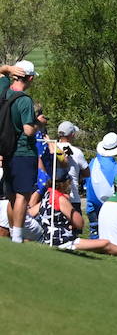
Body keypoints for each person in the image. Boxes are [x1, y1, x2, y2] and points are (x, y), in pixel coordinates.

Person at [1, 61, 40, 243]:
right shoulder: (24, 100)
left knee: (11, 197)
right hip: (23, 152)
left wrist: (7, 69)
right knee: (22, 196)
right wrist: (38, 123)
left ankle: (12, 233)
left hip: (6, 151)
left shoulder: (4, 91)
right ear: (30, 78)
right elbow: (28, 130)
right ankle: (17, 236)